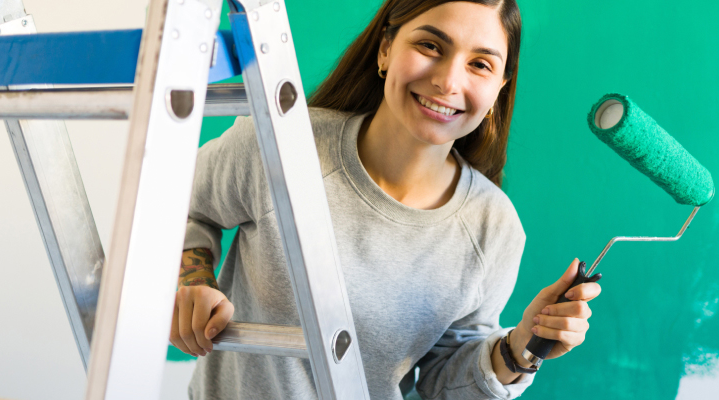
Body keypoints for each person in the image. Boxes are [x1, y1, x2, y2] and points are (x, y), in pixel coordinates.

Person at [169, 1, 602, 398]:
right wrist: (191, 281)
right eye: (431, 45)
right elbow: (181, 207)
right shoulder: (282, 143)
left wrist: (520, 347)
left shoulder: (493, 230)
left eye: (480, 64)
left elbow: (444, 382)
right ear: (385, 49)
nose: (449, 81)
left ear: (499, 90)